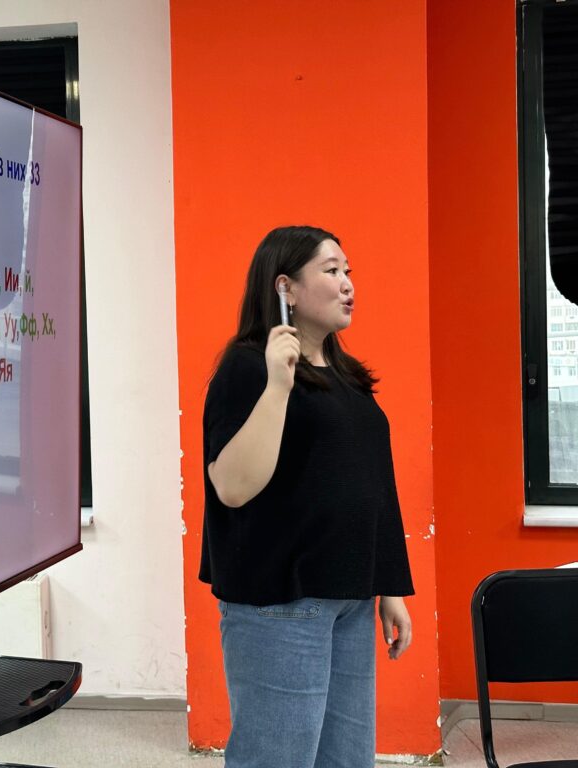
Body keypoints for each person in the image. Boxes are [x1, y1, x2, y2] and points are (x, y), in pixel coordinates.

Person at [200, 225, 414, 768]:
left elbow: (375, 482)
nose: (348, 284)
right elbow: (232, 486)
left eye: (348, 272)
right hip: (281, 601)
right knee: (278, 758)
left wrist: (390, 586)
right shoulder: (248, 367)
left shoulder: (347, 376)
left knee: (348, 760)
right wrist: (278, 384)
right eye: (331, 270)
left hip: (349, 595)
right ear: (285, 288)